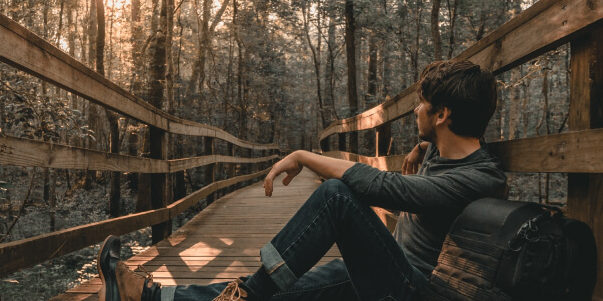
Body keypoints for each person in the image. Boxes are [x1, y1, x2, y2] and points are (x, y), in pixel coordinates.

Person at [97, 60, 508, 301]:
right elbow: (439, 156)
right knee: (281, 287)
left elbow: (382, 188)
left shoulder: (478, 178)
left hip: (417, 291)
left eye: (423, 104)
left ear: (442, 116)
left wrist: (303, 156)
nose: (415, 109)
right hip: (387, 271)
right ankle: (150, 296)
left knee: (335, 195)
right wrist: (423, 147)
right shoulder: (447, 151)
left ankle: (245, 297)